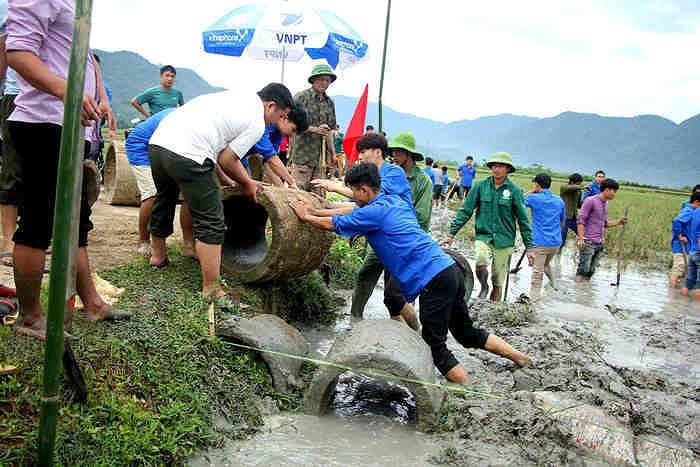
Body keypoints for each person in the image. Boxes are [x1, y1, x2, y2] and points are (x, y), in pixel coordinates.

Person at [289, 162, 530, 384]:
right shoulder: (391, 200)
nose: (353, 196)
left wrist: (306, 216)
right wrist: (315, 211)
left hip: (432, 279)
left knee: (435, 346)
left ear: (364, 190)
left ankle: (467, 390)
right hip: (449, 269)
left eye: (353, 191)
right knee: (466, 334)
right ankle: (521, 358)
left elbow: (336, 223)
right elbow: (346, 211)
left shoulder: (372, 212)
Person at [7, 0, 129, 338]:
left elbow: (83, 57)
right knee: (38, 222)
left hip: (73, 126)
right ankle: (30, 317)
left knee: (75, 221)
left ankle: (91, 302)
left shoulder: (77, 5)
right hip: (43, 123)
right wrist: (68, 90)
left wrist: (100, 95)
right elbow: (17, 52)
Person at [147, 84, 293, 302]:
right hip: (188, 152)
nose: (276, 122)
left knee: (164, 199)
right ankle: (211, 289)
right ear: (270, 105)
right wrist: (247, 183)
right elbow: (227, 158)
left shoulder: (236, 97)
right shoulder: (256, 121)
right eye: (279, 116)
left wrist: (227, 180)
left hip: (159, 144)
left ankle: (158, 256)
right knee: (212, 220)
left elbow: (214, 149)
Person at [310, 133, 415, 326]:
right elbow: (357, 207)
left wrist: (333, 188)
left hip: (399, 242)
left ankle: (415, 334)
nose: (360, 156)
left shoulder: (394, 173)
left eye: (364, 151)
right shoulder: (368, 176)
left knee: (394, 298)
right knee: (365, 275)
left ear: (377, 152)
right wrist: (325, 206)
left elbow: (371, 201)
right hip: (380, 240)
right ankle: (354, 321)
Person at [442, 152, 532, 301]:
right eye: (494, 166)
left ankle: (491, 308)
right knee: (481, 261)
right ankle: (484, 286)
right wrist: (451, 234)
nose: (496, 169)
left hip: (505, 240)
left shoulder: (515, 191)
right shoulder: (480, 186)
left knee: (498, 281)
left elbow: (523, 220)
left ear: (508, 169)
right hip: (484, 235)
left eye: (501, 166)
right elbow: (466, 211)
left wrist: (529, 247)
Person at [124, 108, 195, 257]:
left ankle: (189, 245)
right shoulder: (179, 119)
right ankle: (143, 240)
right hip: (141, 146)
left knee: (190, 193)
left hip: (165, 148)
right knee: (152, 195)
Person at [288, 64, 337, 191]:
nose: (324, 83)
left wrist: (333, 154)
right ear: (313, 80)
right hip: (301, 155)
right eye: (321, 79)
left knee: (318, 195)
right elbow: (290, 122)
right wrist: (315, 130)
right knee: (298, 192)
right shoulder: (301, 98)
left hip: (320, 159)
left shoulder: (329, 103)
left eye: (327, 80)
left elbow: (329, 130)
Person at [575, 178, 628, 282]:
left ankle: (584, 292)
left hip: (600, 241)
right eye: (614, 191)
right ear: (606, 190)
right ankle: (576, 291)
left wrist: (619, 222)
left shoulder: (606, 204)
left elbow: (604, 224)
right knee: (583, 269)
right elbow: (581, 221)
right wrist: (581, 239)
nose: (614, 194)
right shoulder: (590, 201)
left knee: (591, 270)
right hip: (588, 241)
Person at [0, 6, 20, 269]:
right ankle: (8, 241)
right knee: (13, 171)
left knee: (40, 175)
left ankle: (29, 237)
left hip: (52, 101)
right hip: (17, 96)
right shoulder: (9, 6)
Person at [524, 173, 566, 294]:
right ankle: (555, 285)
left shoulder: (534, 198)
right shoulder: (559, 200)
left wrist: (532, 191)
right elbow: (562, 222)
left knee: (537, 274)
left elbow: (518, 200)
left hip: (540, 242)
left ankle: (534, 302)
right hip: (556, 242)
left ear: (537, 184)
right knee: (546, 264)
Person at [672, 193, 700, 289]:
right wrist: (680, 236)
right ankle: (671, 297)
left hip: (687, 246)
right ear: (696, 202)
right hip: (680, 246)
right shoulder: (689, 210)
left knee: (683, 271)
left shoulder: (693, 211)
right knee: (679, 269)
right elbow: (676, 221)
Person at [680, 203, 700, 300]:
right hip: (699, 251)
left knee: (689, 281)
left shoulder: (695, 211)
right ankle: (696, 311)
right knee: (699, 284)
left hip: (692, 251)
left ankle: (682, 306)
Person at [559, 172, 584, 245]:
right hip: (564, 217)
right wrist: (582, 187)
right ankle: (556, 254)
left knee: (582, 234)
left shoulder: (579, 191)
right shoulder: (564, 188)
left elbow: (579, 205)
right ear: (572, 182)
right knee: (562, 239)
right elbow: (570, 187)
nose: (579, 185)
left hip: (573, 217)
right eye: (578, 183)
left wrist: (587, 201)